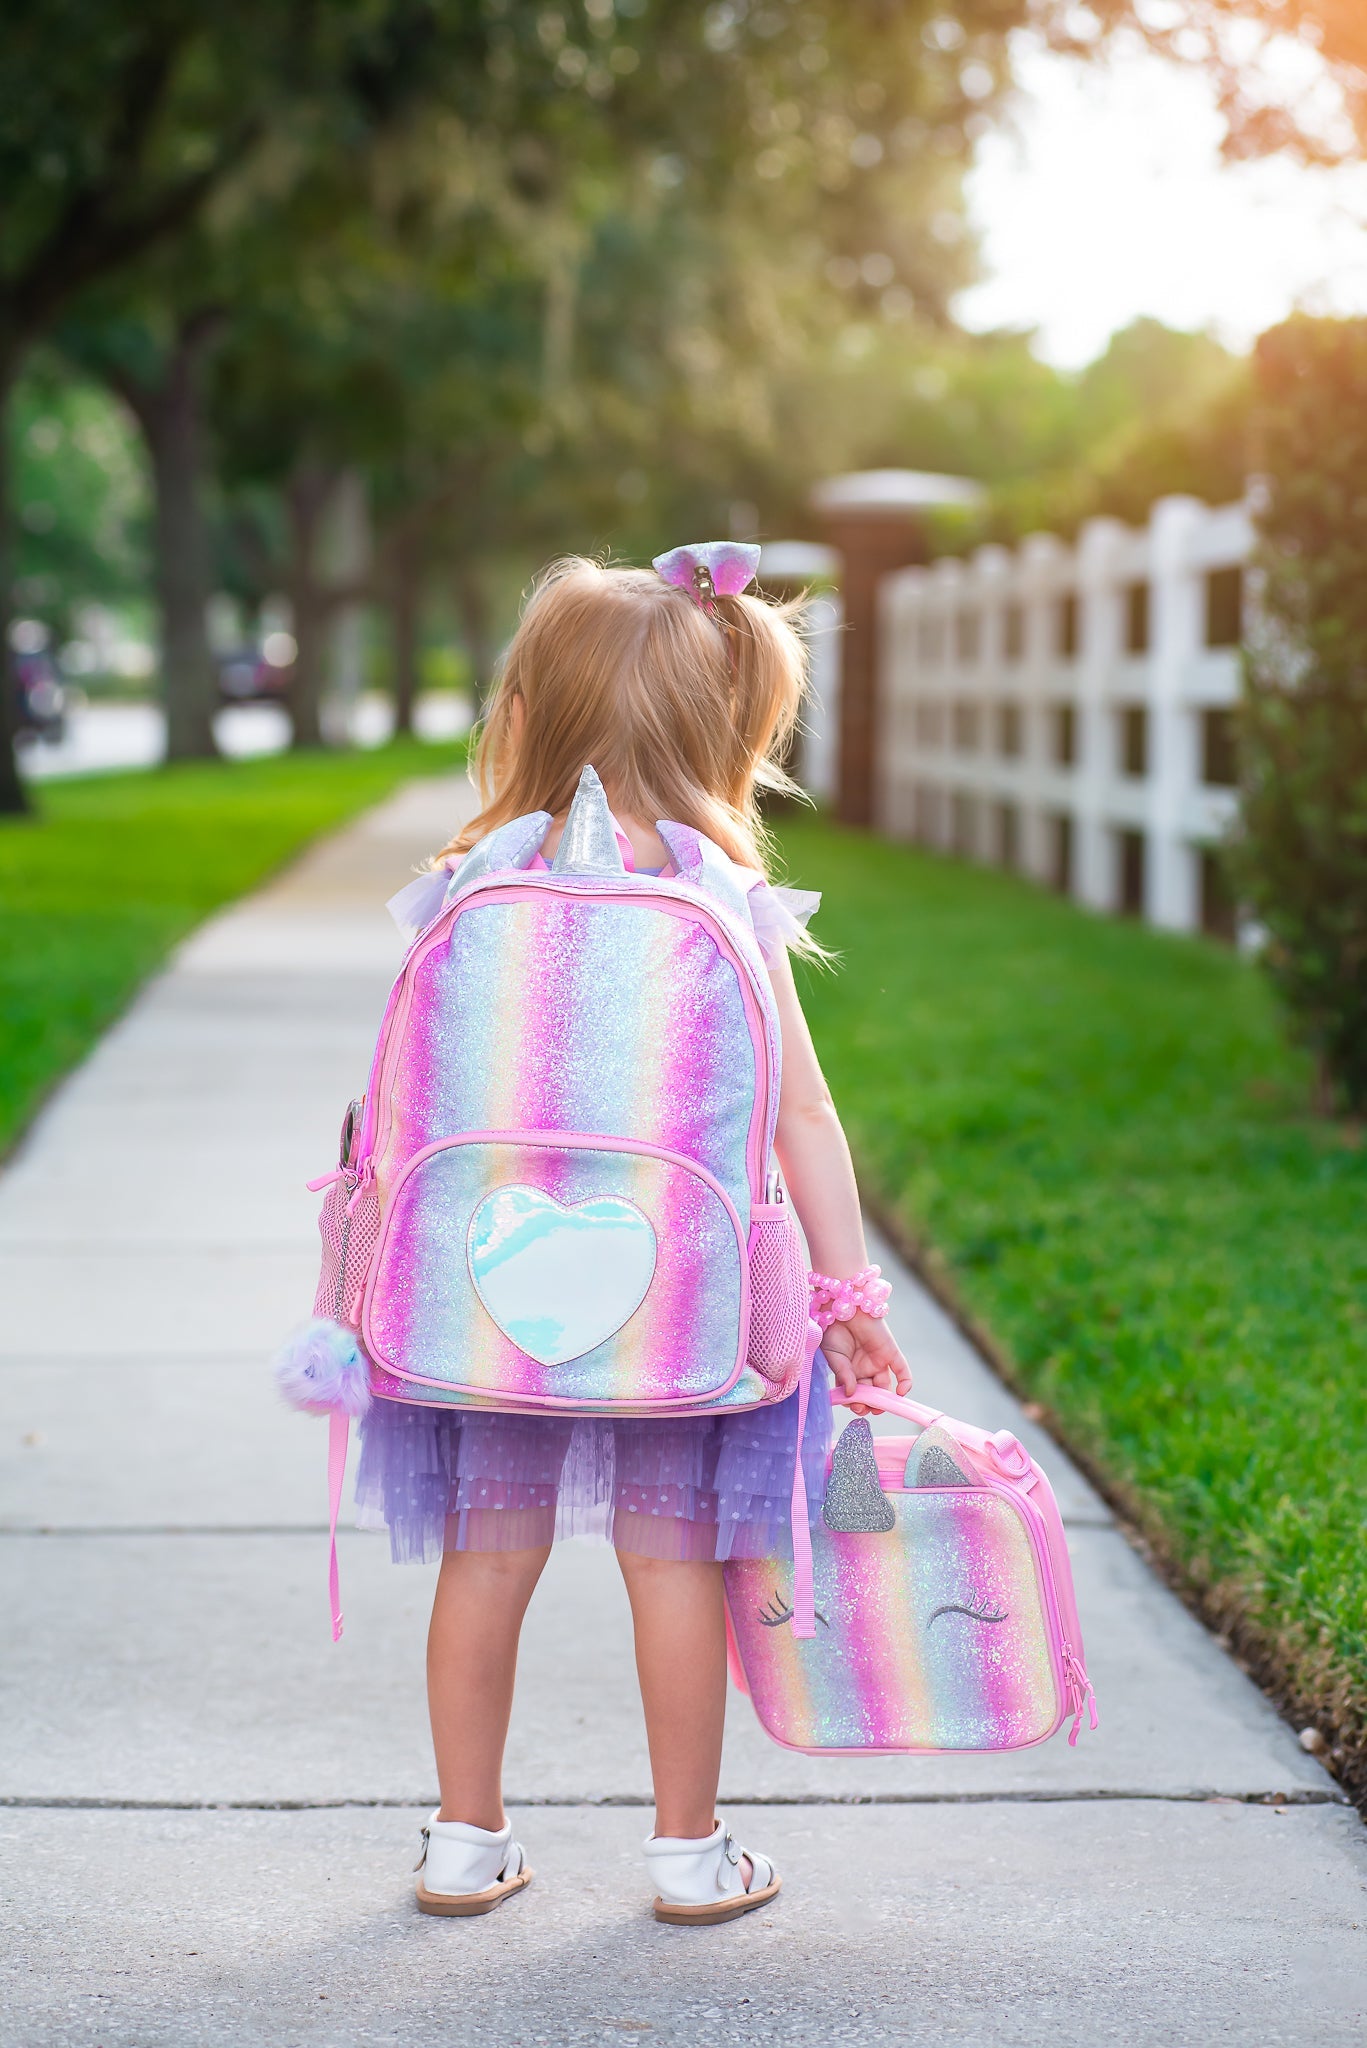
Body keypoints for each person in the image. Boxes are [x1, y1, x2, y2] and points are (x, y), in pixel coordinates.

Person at [356, 551, 910, 1922]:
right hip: (680, 1302)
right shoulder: (725, 901)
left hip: (489, 1294)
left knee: (487, 1561)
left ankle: (462, 1842)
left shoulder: (472, 882)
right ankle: (688, 1853)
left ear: (527, 713)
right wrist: (847, 1295)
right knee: (676, 1566)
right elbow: (807, 1122)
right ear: (724, 728)